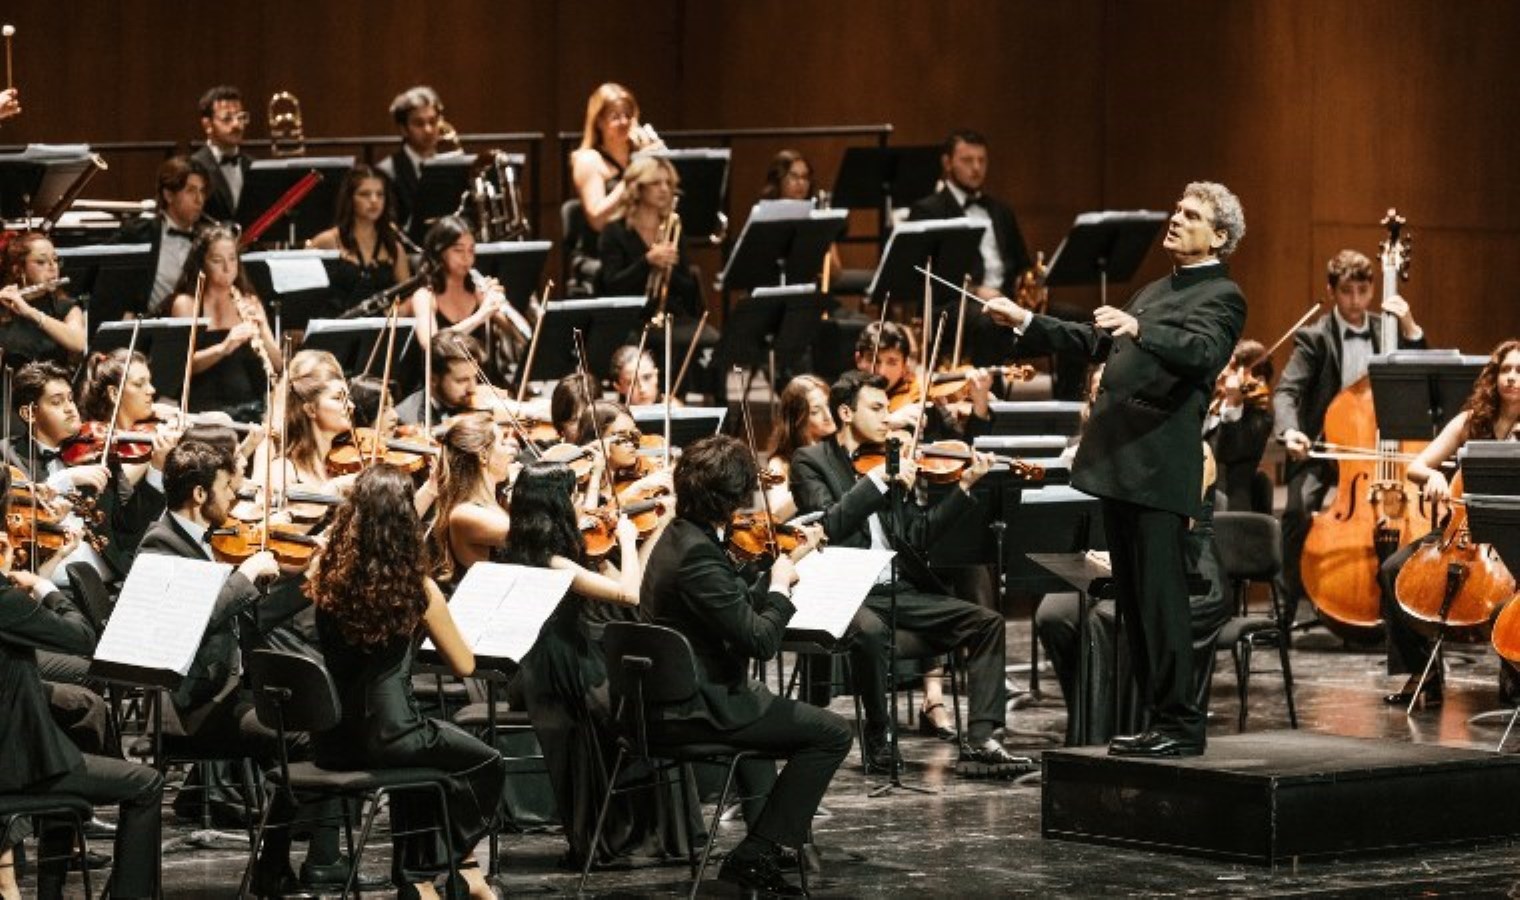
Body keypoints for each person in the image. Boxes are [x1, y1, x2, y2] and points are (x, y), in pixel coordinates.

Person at [984, 180, 1248, 758]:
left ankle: (1181, 724)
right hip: (1121, 462)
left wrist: (1142, 330)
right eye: (1176, 210)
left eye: (1191, 215)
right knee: (1133, 599)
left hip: (1158, 465)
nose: (1175, 220)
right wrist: (1026, 322)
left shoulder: (1222, 296)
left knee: (1160, 599)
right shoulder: (1156, 288)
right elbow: (1094, 340)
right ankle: (1160, 719)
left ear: (1219, 236)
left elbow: (1202, 354)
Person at [790, 370, 1028, 776]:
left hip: (899, 590)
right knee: (868, 631)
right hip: (848, 593)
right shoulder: (810, 462)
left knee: (987, 622)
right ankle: (879, 734)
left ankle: (982, 739)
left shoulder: (891, 459)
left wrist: (964, 488)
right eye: (877, 408)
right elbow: (830, 523)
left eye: (888, 408)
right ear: (846, 412)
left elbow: (918, 533)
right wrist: (877, 480)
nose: (888, 417)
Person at [641, 435, 849, 895]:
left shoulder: (680, 535)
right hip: (698, 709)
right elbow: (760, 641)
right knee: (832, 733)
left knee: (779, 719)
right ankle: (754, 856)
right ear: (730, 497)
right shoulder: (697, 555)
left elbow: (731, 613)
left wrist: (787, 562)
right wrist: (778, 586)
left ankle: (762, 853)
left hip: (675, 698)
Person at [308, 464, 505, 899]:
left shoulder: (325, 577)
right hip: (391, 734)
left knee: (426, 772)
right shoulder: (418, 588)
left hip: (333, 738)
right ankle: (438, 864)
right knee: (485, 763)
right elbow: (464, 665)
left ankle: (428, 879)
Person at [509, 461, 695, 866]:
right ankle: (632, 832)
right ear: (559, 504)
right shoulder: (553, 562)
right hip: (565, 667)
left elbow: (632, 583)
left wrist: (656, 526)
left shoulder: (528, 547)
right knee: (641, 718)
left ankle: (639, 828)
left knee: (637, 712)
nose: (584, 506)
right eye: (574, 497)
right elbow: (629, 595)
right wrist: (627, 538)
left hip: (554, 657)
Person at [0, 466, 164, 900]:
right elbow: (81, 637)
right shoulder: (3, 600)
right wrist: (42, 587)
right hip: (12, 765)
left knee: (77, 712)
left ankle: (51, 887)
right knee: (146, 785)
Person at [1037, 445, 1231, 745]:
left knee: (1106, 618)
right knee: (1065, 615)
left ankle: (1115, 734)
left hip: (1195, 575)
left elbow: (1177, 525)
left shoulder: (1198, 452)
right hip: (1152, 569)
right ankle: (1090, 733)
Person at [1273, 249, 1427, 628]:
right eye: (1347, 292)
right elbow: (1286, 392)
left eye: (1363, 290)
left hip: (1379, 454)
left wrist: (1410, 328)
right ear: (1331, 291)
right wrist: (1291, 430)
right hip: (1325, 449)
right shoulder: (1314, 339)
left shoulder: (1385, 330)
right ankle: (1287, 610)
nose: (1356, 301)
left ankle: (1403, 611)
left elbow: (1422, 370)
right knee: (1295, 510)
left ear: (1373, 288)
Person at [1377, 339, 1520, 705]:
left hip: (1511, 533)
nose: (1512, 378)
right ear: (1494, 376)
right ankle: (1423, 674)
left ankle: (1513, 672)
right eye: (1506, 370)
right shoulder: (1471, 421)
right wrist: (1434, 477)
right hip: (1462, 529)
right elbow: (1417, 466)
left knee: (1511, 592)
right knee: (1393, 569)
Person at [907, 129, 1035, 368]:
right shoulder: (928, 210)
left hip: (1006, 299)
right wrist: (975, 290)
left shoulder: (1001, 210)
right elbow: (922, 276)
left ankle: (1075, 400)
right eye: (967, 160)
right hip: (951, 305)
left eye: (982, 160)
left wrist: (1032, 286)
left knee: (1070, 318)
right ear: (947, 163)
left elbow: (1022, 263)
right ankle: (987, 401)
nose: (976, 168)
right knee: (990, 322)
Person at [164, 225, 283, 422]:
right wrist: (224, 348)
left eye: (232, 259)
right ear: (202, 264)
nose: (228, 268)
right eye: (217, 261)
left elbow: (278, 364)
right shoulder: (186, 304)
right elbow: (181, 367)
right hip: (204, 410)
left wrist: (262, 329)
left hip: (251, 408)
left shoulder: (249, 301)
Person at [567, 82, 660, 296]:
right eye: (615, 116)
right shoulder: (588, 160)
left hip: (640, 248)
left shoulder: (642, 153)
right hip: (605, 253)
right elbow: (598, 220)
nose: (624, 122)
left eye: (628, 115)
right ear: (599, 121)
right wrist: (636, 170)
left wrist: (660, 159)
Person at [404, 216, 520, 383]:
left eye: (471, 250)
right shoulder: (424, 296)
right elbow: (432, 345)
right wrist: (480, 316)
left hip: (483, 385)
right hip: (444, 388)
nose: (467, 258)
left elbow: (522, 336)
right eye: (458, 250)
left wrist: (502, 304)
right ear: (439, 253)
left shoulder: (478, 293)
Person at [306, 163, 412, 315]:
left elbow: (408, 298)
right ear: (350, 199)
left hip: (381, 331)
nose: (374, 200)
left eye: (380, 194)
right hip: (336, 329)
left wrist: (396, 313)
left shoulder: (394, 248)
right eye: (365, 194)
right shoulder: (327, 241)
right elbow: (303, 293)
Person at [116, 155, 211, 316]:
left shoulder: (208, 239)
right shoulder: (138, 234)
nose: (199, 199)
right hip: (148, 330)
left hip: (196, 329)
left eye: (202, 191)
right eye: (191, 191)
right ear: (168, 195)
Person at [429, 413, 517, 586]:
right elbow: (536, 538)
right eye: (502, 443)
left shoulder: (496, 502)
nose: (511, 450)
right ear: (483, 456)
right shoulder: (465, 514)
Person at [1206, 339, 1275, 514]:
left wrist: (1233, 404)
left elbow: (1230, 453)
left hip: (1230, 510)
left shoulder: (1260, 420)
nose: (1221, 373)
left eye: (1229, 367)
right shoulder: (1208, 404)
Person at [0, 232, 86, 367]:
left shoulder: (66, 307)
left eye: (55, 260)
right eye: (41, 262)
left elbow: (78, 343)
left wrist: (30, 312)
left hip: (52, 384)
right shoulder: (4, 305)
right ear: (19, 269)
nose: (53, 267)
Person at [763, 375, 835, 521]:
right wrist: (806, 487)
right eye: (815, 411)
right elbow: (776, 515)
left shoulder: (841, 449)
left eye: (828, 405)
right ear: (798, 418)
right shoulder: (781, 463)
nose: (828, 416)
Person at [377, 85, 445, 233]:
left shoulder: (451, 164)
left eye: (433, 121)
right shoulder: (387, 172)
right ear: (403, 129)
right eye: (419, 124)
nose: (428, 130)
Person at [190, 85, 254, 224]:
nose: (237, 125)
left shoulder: (253, 166)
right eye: (227, 118)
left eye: (241, 117)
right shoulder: (193, 167)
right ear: (208, 125)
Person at [396, 332, 485, 427]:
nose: (472, 389)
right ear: (433, 379)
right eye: (462, 380)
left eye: (474, 377)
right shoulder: (408, 420)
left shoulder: (479, 401)